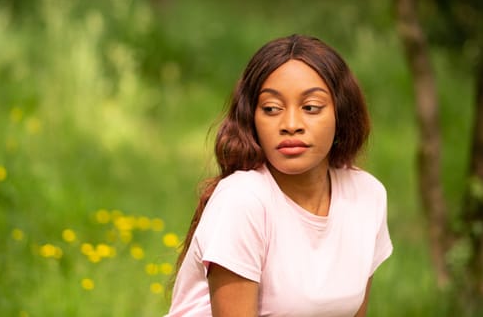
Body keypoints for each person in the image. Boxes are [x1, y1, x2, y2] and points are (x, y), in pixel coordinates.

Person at [165, 34, 393, 317]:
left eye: (310, 108)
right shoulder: (243, 201)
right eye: (271, 109)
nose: (291, 125)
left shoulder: (366, 195)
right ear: (252, 119)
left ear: (341, 112)